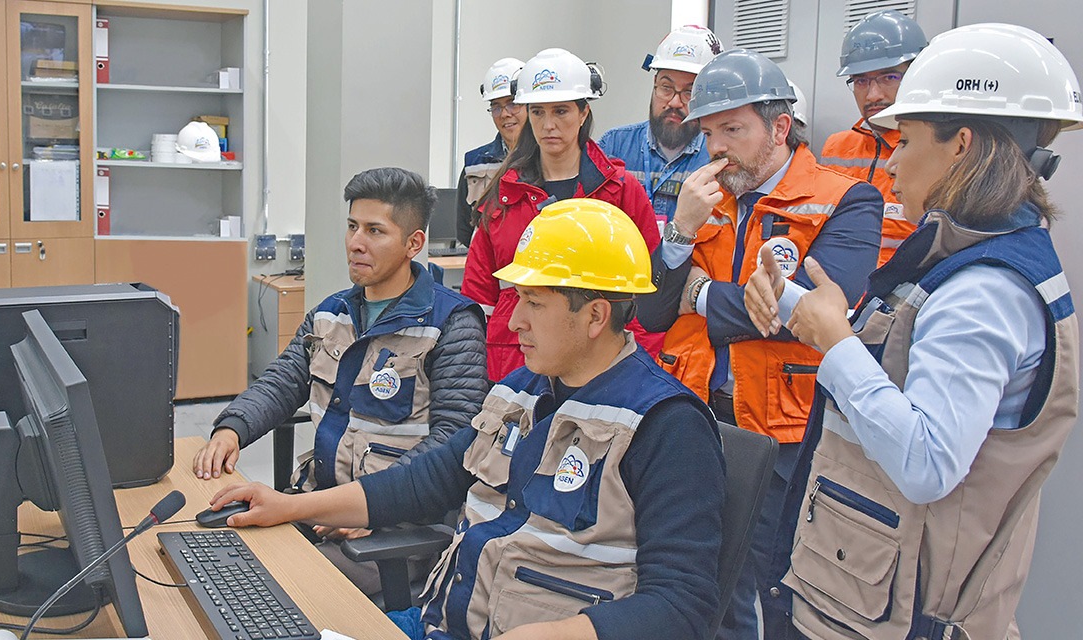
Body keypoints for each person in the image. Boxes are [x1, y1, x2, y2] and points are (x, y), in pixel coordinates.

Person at [208, 199, 726, 640]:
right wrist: (290, 506)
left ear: (594, 315)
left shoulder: (665, 425)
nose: (514, 320)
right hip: (441, 623)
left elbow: (684, 604)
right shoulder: (522, 391)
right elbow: (428, 481)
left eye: (533, 303)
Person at [747, 23, 1081, 640]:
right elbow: (903, 351)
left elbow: (927, 462)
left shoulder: (985, 292)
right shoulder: (972, 254)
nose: (892, 159)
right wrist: (790, 297)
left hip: (899, 617)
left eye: (906, 140)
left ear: (961, 145)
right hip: (863, 591)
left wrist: (837, 347)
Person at [634, 49, 882, 640]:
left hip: (785, 430)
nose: (716, 147)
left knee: (769, 585)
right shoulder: (703, 200)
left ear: (778, 126)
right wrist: (680, 233)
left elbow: (816, 314)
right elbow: (650, 308)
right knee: (687, 576)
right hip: (692, 415)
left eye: (733, 129)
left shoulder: (846, 200)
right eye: (709, 131)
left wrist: (700, 295)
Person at [191, 167, 488, 591]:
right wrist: (231, 429)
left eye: (374, 231)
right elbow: (282, 381)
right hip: (317, 507)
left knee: (262, 591)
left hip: (393, 530)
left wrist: (368, 509)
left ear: (414, 243)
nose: (355, 243)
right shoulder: (332, 313)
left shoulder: (451, 325)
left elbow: (453, 444)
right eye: (351, 226)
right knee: (209, 558)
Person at [463, 47, 663, 381]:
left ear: (584, 113)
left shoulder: (622, 192)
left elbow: (649, 295)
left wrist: (634, 371)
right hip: (514, 363)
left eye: (561, 111)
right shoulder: (504, 193)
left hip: (598, 365)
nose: (549, 125)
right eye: (538, 112)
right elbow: (477, 298)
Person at [819, 10, 928, 267]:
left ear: (917, 75)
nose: (873, 95)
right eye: (861, 81)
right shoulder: (836, 147)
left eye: (889, 77)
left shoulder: (935, 151)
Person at [599, 25, 721, 225]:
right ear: (655, 83)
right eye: (666, 88)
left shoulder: (716, 157)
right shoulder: (613, 146)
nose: (674, 102)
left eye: (689, 92)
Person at [456, 57, 526, 246]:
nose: (504, 114)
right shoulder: (474, 163)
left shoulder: (549, 159)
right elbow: (464, 230)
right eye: (496, 106)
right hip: (488, 267)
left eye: (512, 103)